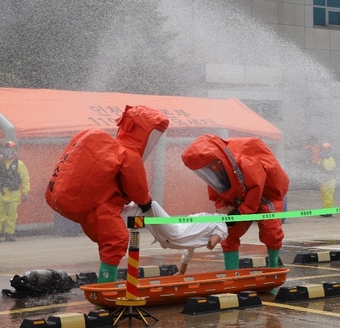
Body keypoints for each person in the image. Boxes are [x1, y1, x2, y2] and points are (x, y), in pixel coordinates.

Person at [45, 105, 169, 283]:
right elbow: (137, 188)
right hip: (101, 206)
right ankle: (106, 285)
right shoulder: (129, 154)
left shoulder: (108, 147)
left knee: (107, 242)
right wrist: (146, 203)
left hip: (80, 204)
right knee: (116, 240)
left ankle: (105, 283)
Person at [181, 134, 289, 271]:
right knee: (229, 233)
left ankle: (274, 265)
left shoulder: (246, 163)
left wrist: (239, 212)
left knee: (271, 231)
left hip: (267, 196)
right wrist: (224, 215)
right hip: (239, 197)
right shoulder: (214, 170)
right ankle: (232, 273)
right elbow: (220, 195)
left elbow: (255, 190)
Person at [120, 201, 227, 275]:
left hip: (174, 232)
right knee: (142, 209)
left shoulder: (221, 222)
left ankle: (115, 220)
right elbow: (189, 249)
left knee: (151, 204)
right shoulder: (210, 217)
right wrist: (181, 272)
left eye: (227, 207)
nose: (223, 205)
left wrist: (212, 242)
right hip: (170, 236)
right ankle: (117, 216)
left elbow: (217, 236)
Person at [0, 141, 30, 242]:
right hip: (0, 192)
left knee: (11, 215)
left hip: (14, 192)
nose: (6, 152)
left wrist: (25, 191)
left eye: (9, 150)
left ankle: (9, 234)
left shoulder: (19, 164)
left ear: (14, 151)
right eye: (5, 149)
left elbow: (25, 178)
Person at [318, 143, 336, 217]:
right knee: (324, 197)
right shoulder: (322, 159)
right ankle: (326, 210)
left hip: (329, 180)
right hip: (324, 181)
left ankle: (329, 211)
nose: (322, 151)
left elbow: (328, 168)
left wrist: (324, 158)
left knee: (328, 196)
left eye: (324, 150)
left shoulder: (330, 159)